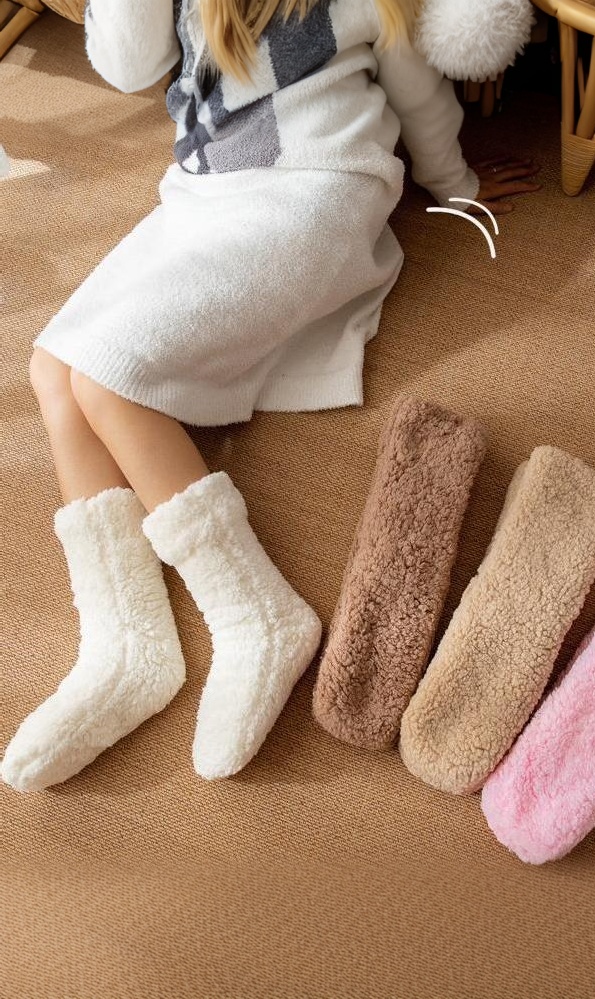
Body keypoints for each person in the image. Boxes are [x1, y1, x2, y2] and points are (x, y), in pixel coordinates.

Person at [1, 0, 541, 792]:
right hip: (206, 193)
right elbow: (127, 67)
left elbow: (417, 90)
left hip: (316, 187)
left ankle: (255, 614)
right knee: (52, 365)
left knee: (108, 382)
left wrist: (455, 184)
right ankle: (124, 643)